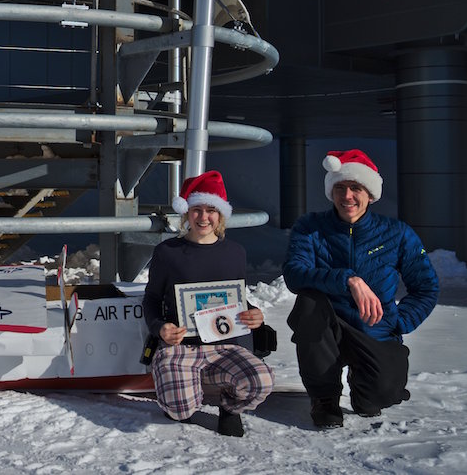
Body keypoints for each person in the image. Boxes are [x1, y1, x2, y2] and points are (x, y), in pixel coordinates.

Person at [283, 149, 439, 429]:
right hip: (328, 326)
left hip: (374, 328)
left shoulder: (397, 232)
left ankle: (364, 384)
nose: (347, 197)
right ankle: (325, 398)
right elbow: (295, 274)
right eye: (340, 188)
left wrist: (398, 322)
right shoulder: (310, 228)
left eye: (355, 187)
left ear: (370, 193)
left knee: (378, 399)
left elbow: (426, 287)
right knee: (308, 303)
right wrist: (348, 280)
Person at [143, 170, 274, 437]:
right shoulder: (168, 252)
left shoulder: (235, 252)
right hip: (182, 346)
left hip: (224, 345)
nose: (204, 217)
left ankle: (229, 405)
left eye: (211, 210)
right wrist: (159, 328)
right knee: (179, 409)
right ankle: (183, 389)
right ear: (186, 213)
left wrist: (253, 314)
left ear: (221, 214)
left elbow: (235, 297)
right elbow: (152, 299)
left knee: (261, 381)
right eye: (197, 209)